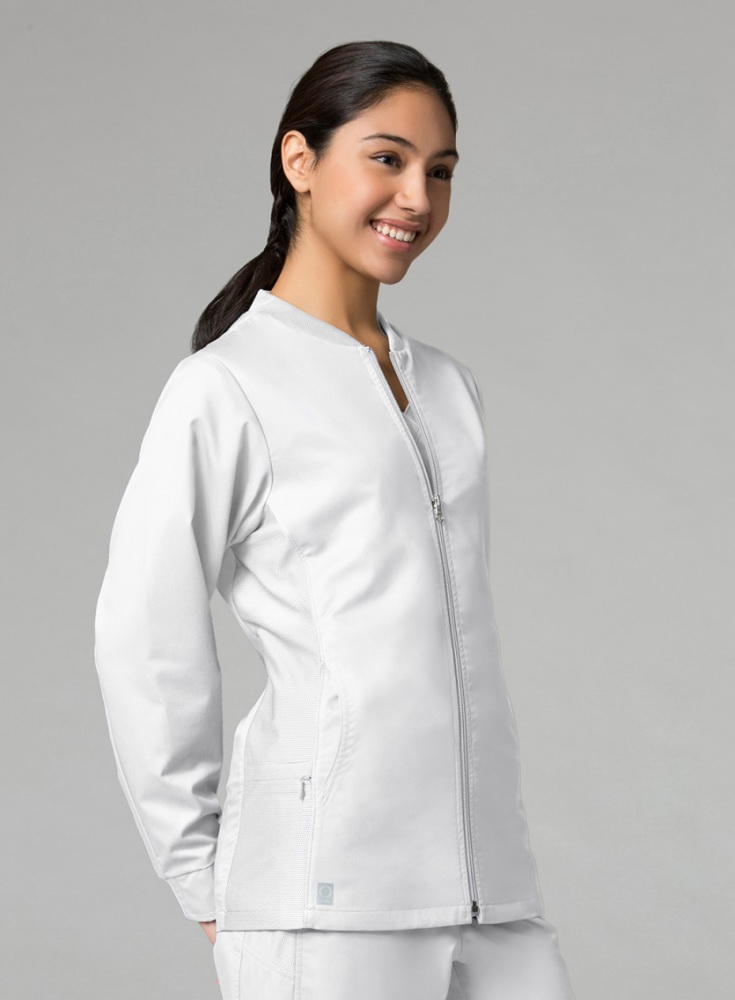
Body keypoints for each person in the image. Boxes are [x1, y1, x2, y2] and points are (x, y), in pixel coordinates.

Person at [93, 39, 576, 1000]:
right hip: (325, 898)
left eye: (440, 171)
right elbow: (143, 635)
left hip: (491, 891)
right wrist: (199, 875)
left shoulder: (449, 388)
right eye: (386, 158)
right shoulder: (226, 387)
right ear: (300, 161)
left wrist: (496, 864)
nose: (417, 198)